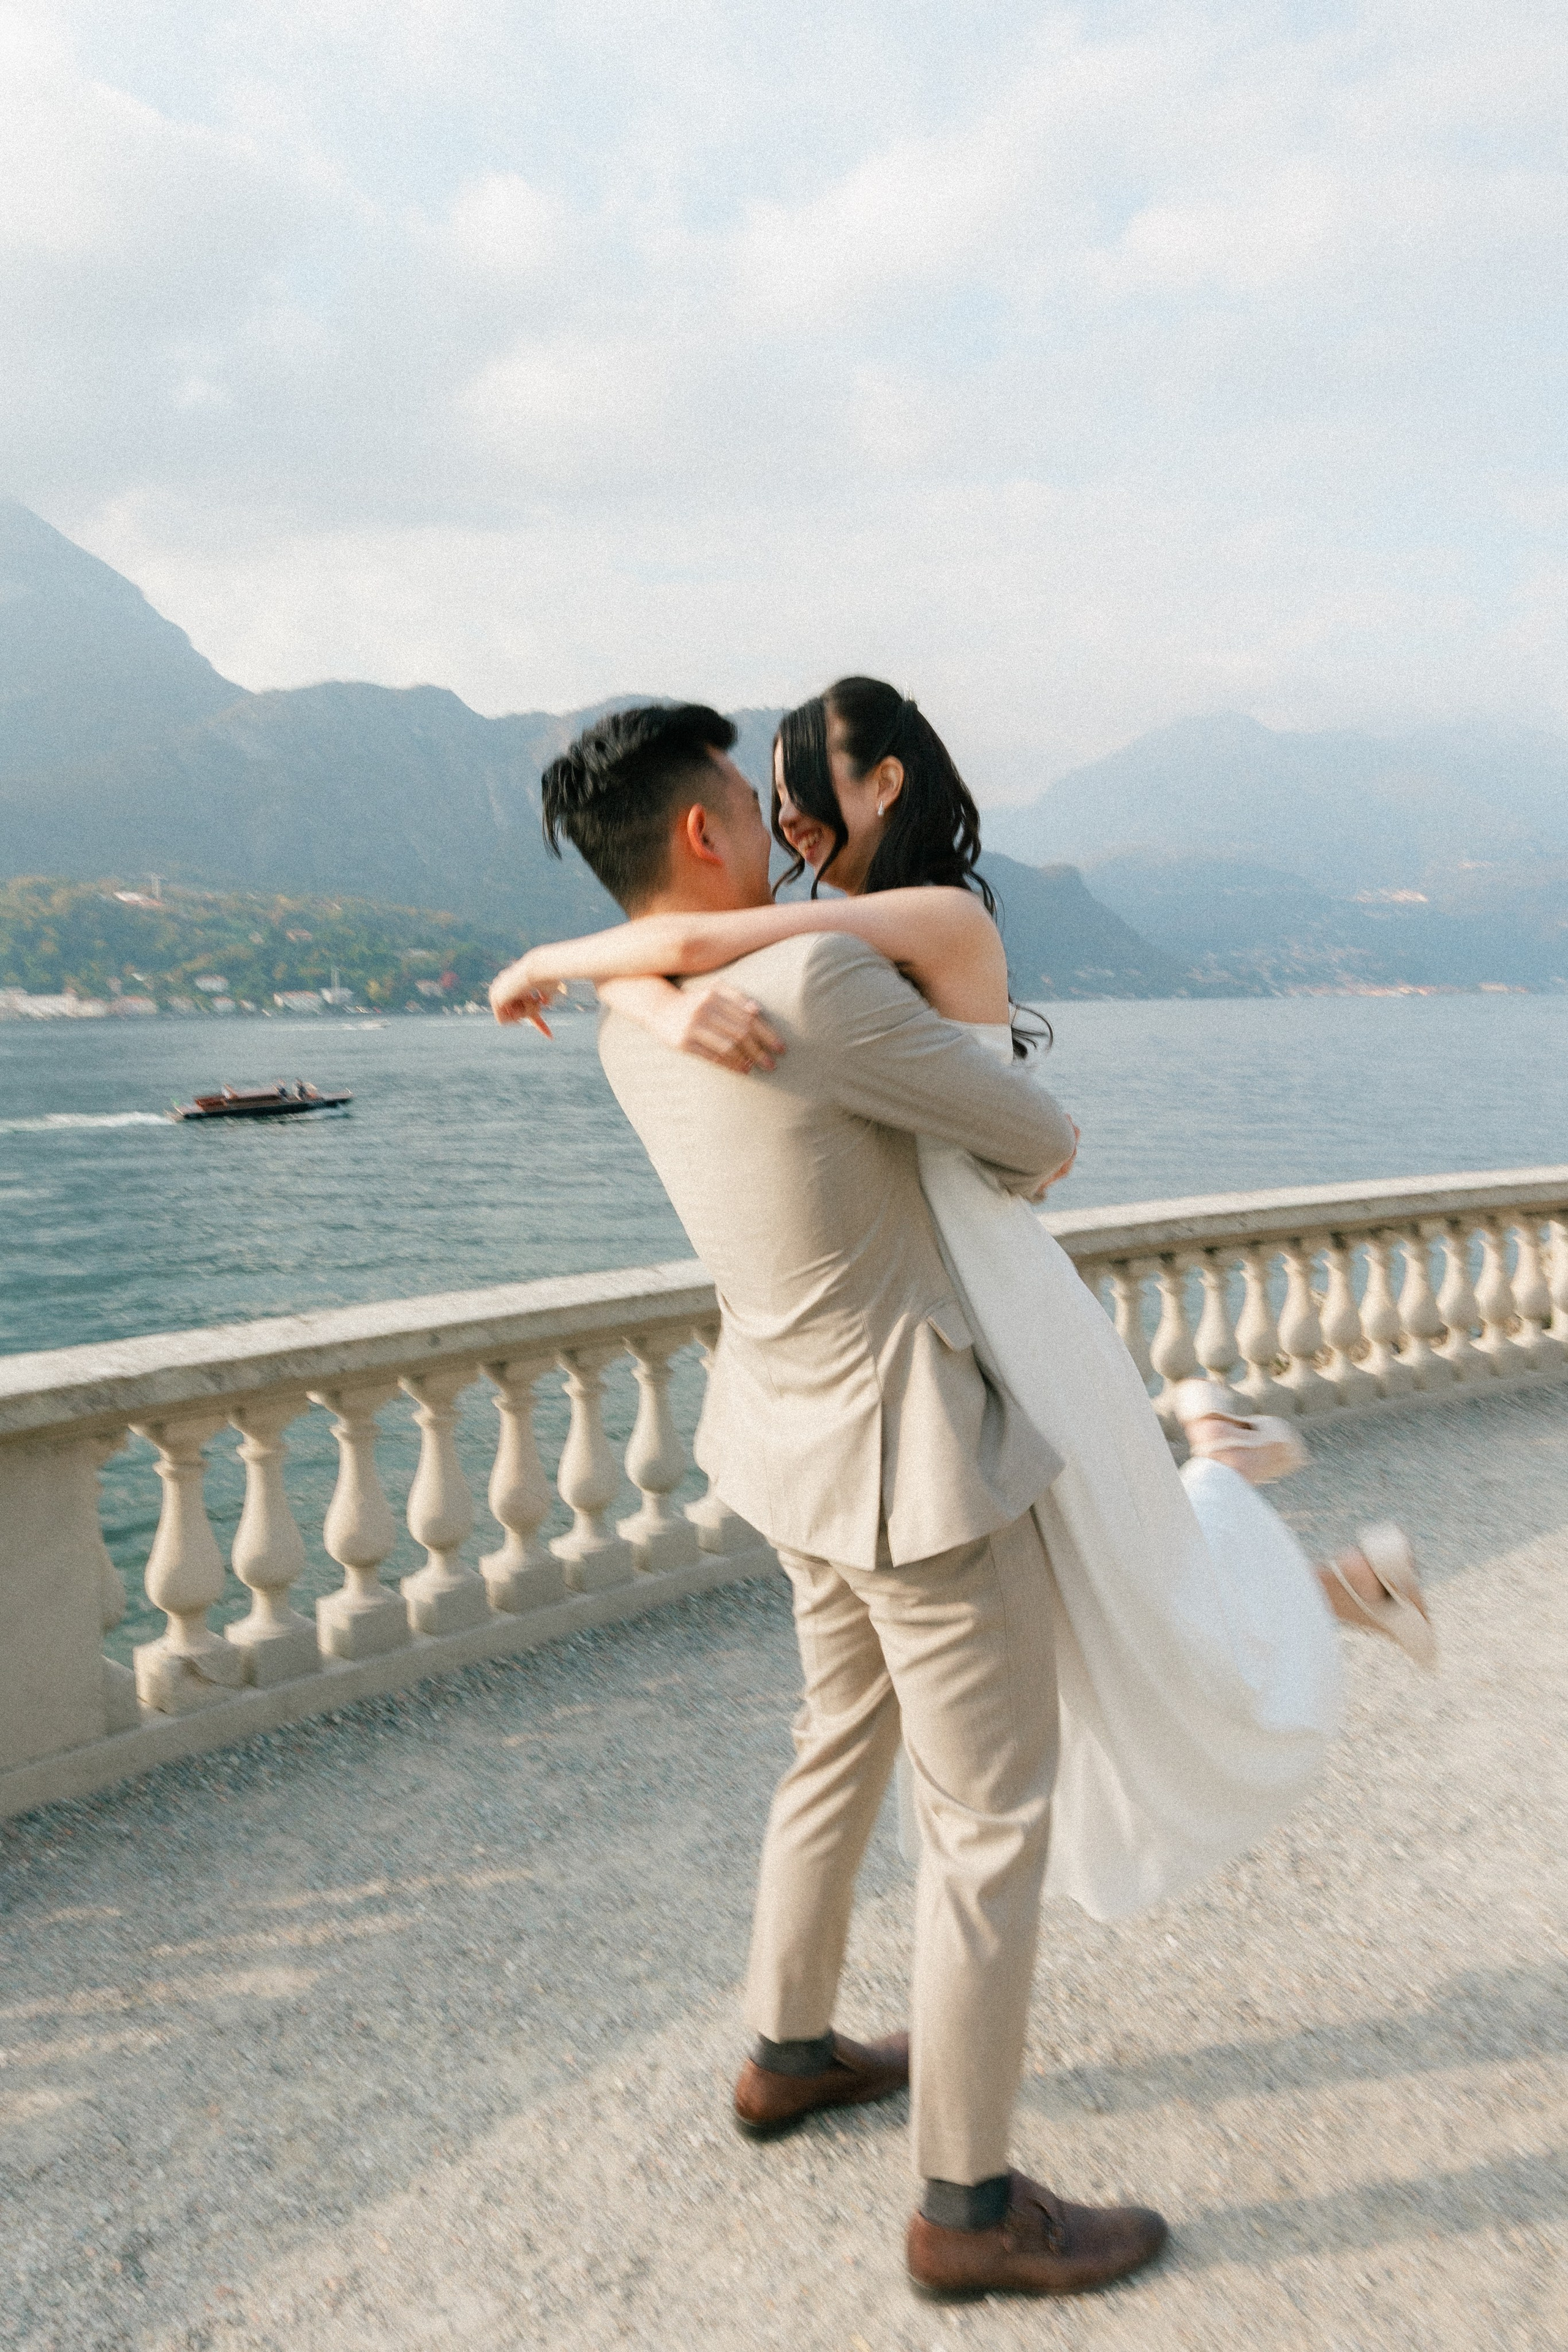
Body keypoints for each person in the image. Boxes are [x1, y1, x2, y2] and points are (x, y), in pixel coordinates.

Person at [492, 678, 1434, 1929]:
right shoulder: (819, 940)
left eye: (800, 784)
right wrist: (643, 992)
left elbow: (694, 943)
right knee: (1102, 1604)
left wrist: (562, 961)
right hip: (937, 1304)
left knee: (1124, 1599)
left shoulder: (925, 917)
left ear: (884, 782)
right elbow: (684, 947)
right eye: (764, 794)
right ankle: (1249, 1488)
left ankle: (1246, 1492)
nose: (784, 818)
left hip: (989, 1279)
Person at [496, 698, 1169, 2301]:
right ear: (704, 835)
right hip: (914, 1464)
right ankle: (967, 2204)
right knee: (989, 1822)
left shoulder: (638, 1012)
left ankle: (789, 2049)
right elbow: (1038, 1142)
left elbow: (677, 986)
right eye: (747, 794)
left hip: (786, 1447)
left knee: (833, 1746)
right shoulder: (816, 976)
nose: (777, 819)